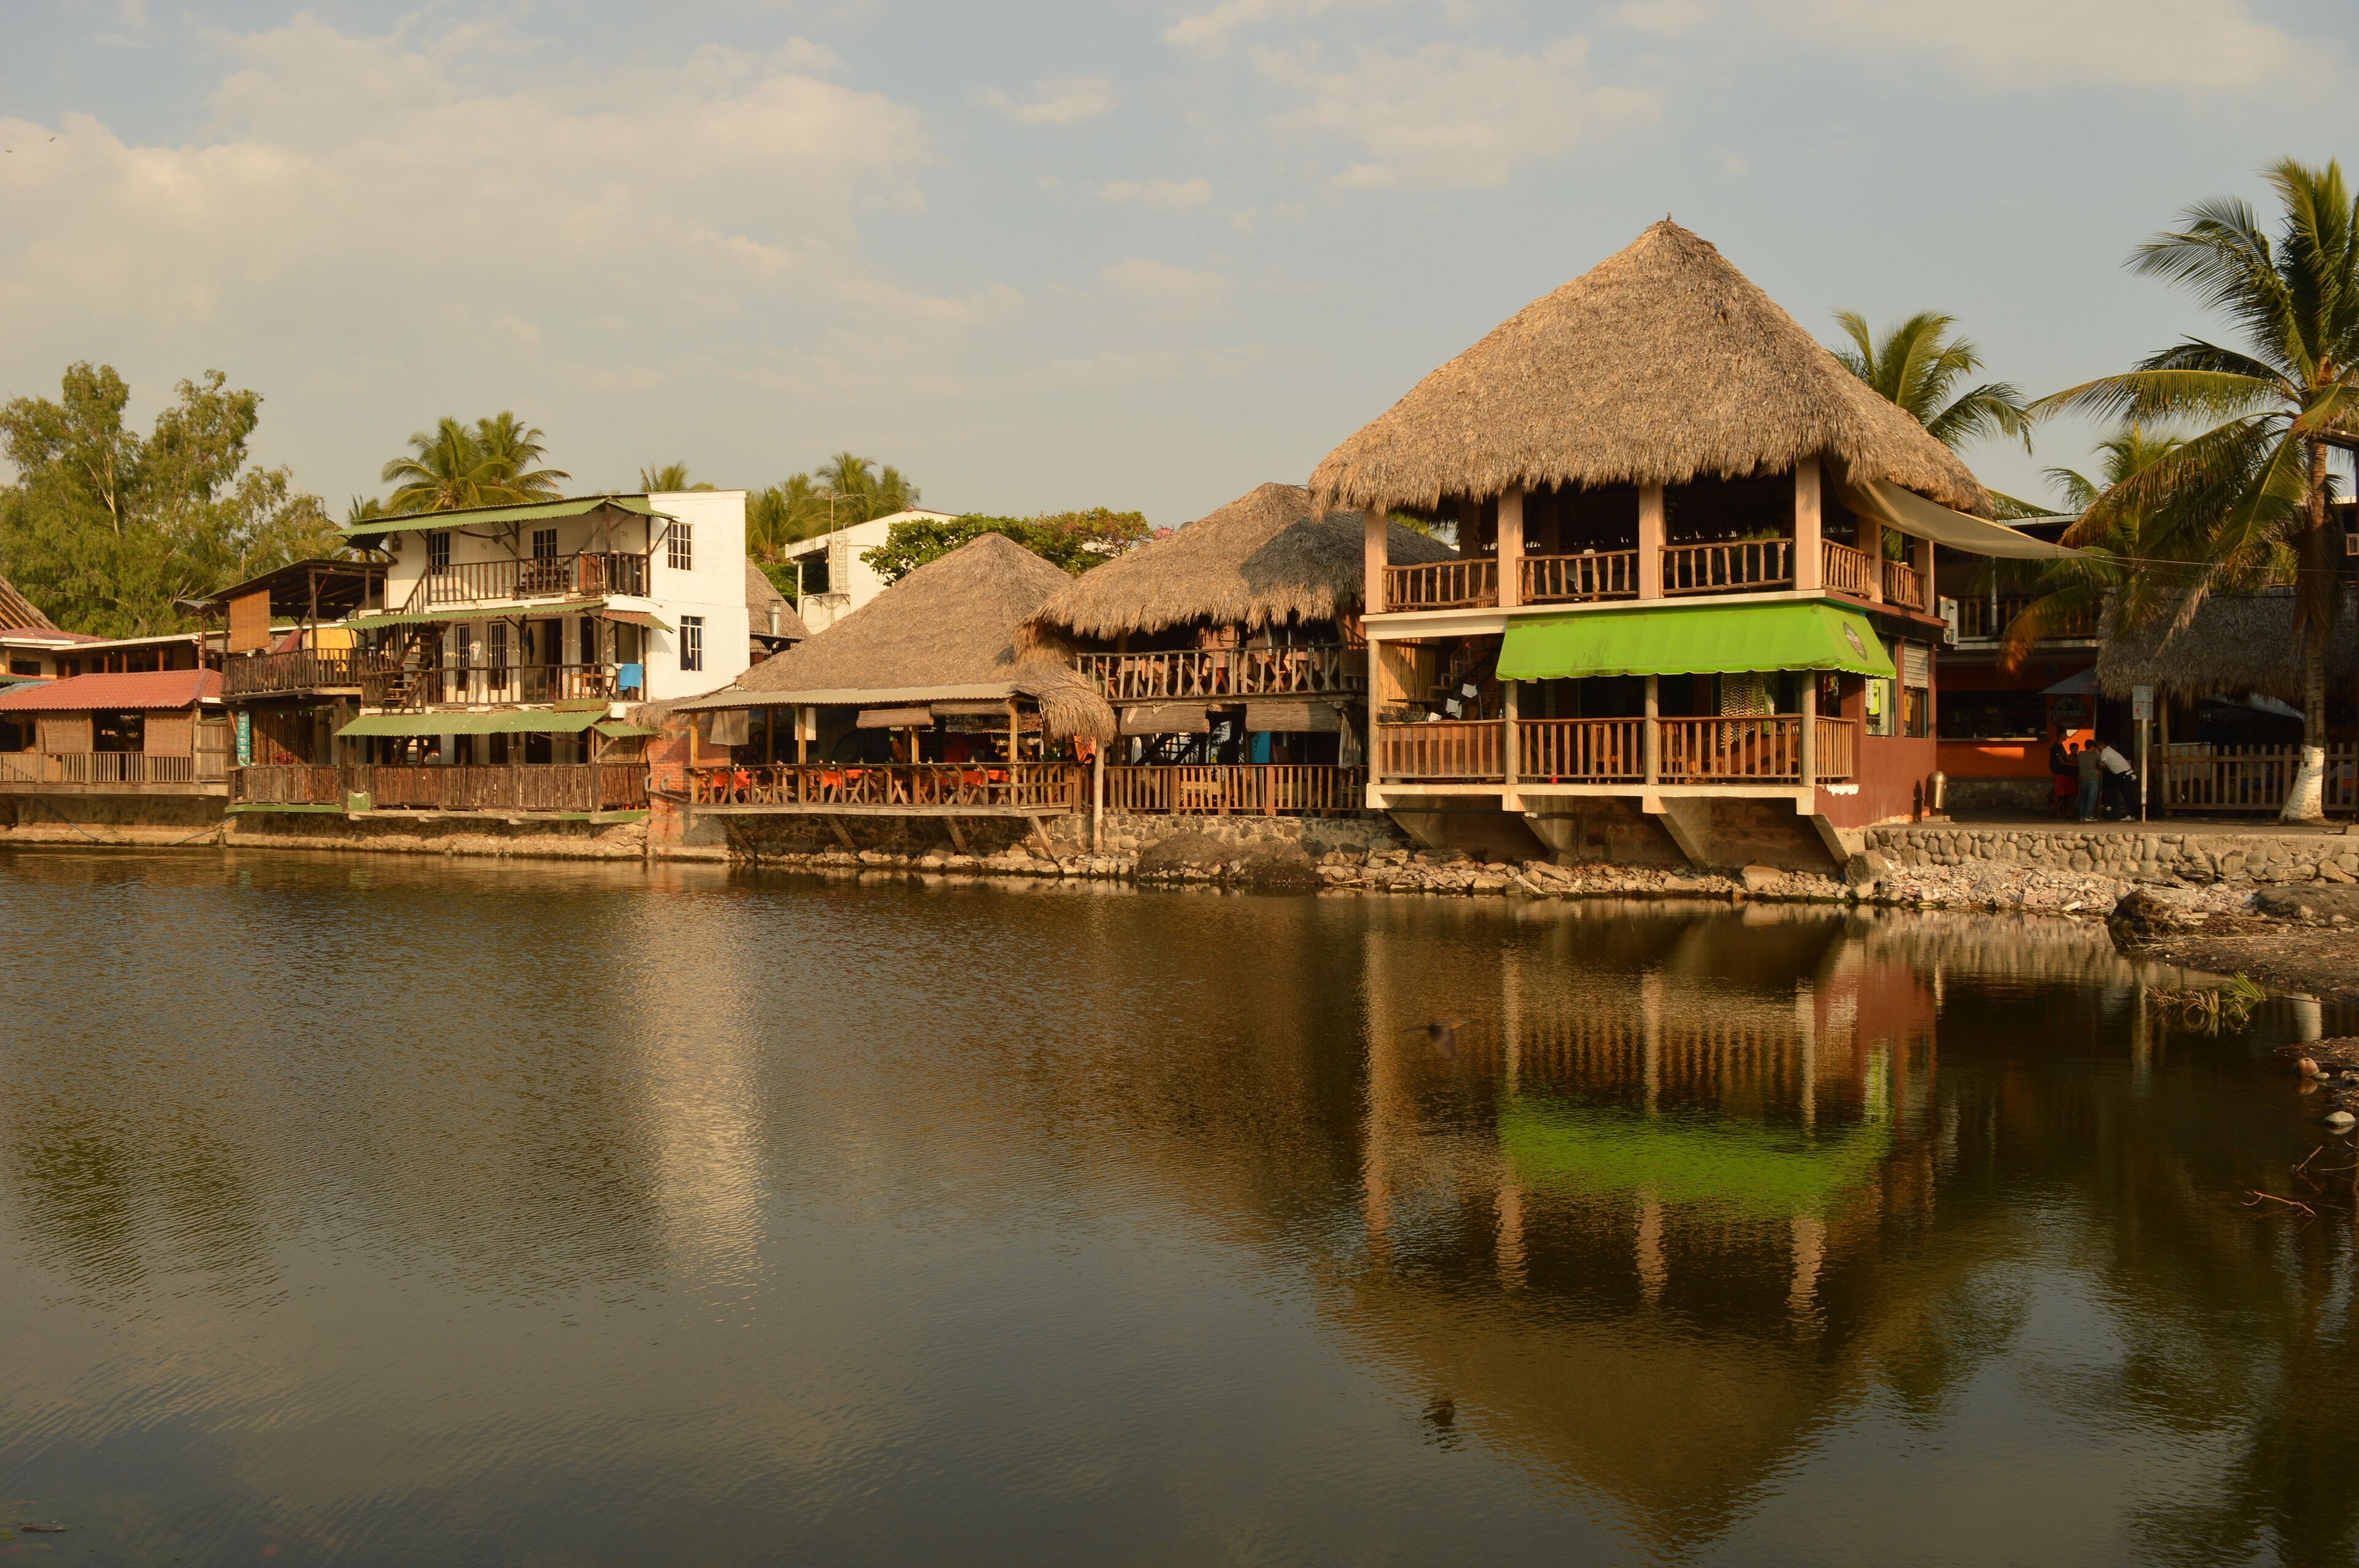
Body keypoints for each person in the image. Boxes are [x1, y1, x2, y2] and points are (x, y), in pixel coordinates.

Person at [2099, 741, 2137, 819]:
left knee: (2128, 796)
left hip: (2125, 776)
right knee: (2127, 796)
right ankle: (2130, 814)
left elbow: (2102, 765)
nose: (2098, 749)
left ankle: (2131, 815)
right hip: (2126, 775)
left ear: (2101, 745)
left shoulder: (2105, 751)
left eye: (2098, 747)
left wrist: (2097, 755)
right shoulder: (2110, 751)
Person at [2048, 732, 2075, 820]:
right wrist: (2074, 765)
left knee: (2073, 791)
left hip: (2065, 773)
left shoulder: (2061, 746)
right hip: (2059, 772)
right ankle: (2058, 813)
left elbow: (2066, 757)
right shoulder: (2057, 747)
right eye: (2065, 735)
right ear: (2061, 735)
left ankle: (2067, 810)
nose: (2066, 736)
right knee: (2058, 793)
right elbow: (2062, 761)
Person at [2074, 741, 2103, 822]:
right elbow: (2101, 766)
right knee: (2092, 798)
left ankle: (2082, 816)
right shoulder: (2095, 755)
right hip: (2093, 779)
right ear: (2092, 747)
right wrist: (2099, 754)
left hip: (2082, 779)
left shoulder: (2080, 754)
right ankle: (2088, 816)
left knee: (2083, 798)